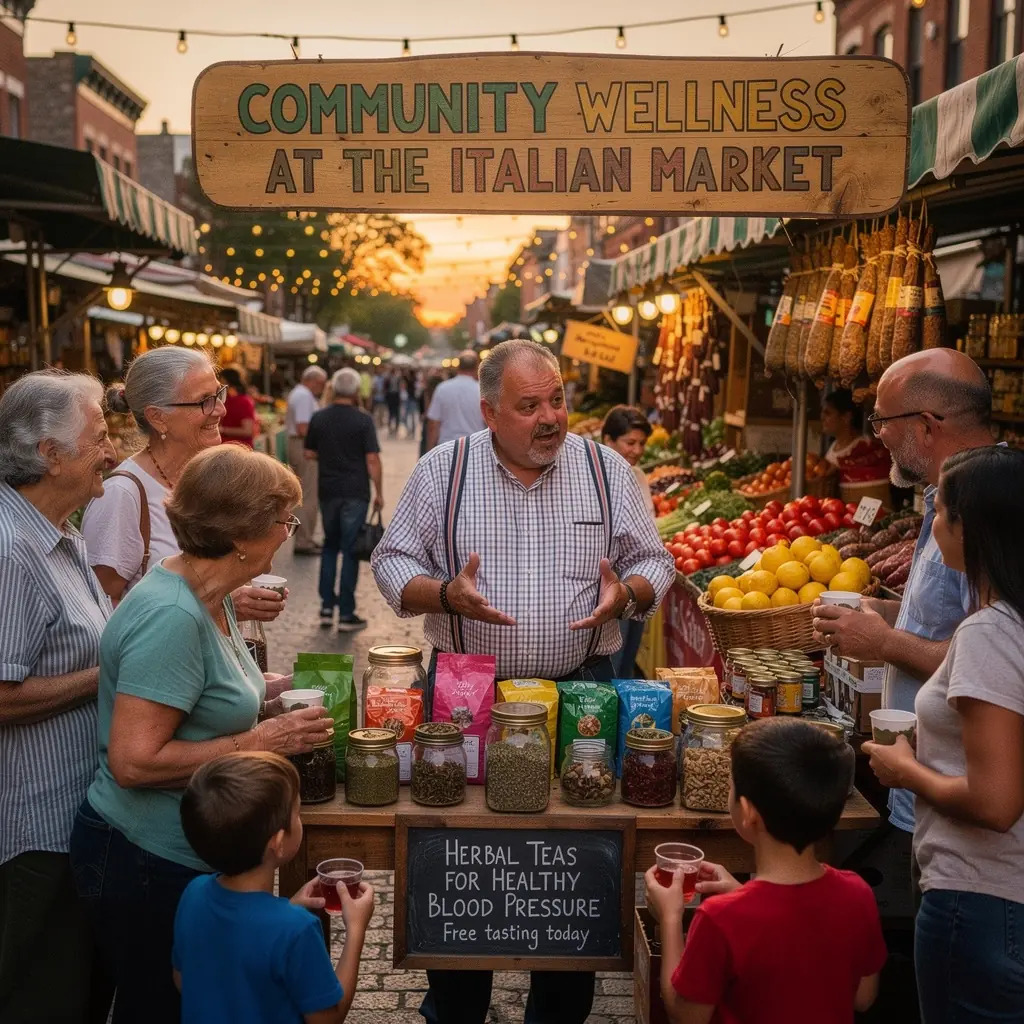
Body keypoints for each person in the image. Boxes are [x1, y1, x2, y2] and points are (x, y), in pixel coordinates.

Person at [371, 339, 674, 1024]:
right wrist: (446, 594)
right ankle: (455, 1004)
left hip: (581, 694)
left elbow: (656, 560)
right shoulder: (444, 470)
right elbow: (390, 560)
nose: (550, 417)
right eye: (529, 405)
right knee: (463, 857)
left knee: (572, 863)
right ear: (488, 411)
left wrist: (625, 595)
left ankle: (560, 1006)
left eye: (557, 399)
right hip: (463, 693)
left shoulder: (605, 468)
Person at [69, 445, 332, 1024]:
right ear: (246, 534)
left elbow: (205, 691)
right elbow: (134, 761)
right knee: (156, 1009)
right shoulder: (175, 615)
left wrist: (268, 691)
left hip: (175, 846)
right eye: (285, 520)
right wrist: (268, 740)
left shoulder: (207, 594)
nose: (289, 532)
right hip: (142, 854)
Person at [864, 446, 1024, 1022]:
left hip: (980, 900)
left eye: (942, 510)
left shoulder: (990, 634)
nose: (932, 523)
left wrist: (903, 770)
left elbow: (996, 801)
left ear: (970, 526)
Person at [812, 349, 994, 845]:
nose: (877, 434)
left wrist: (884, 642)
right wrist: (881, 612)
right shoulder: (944, 500)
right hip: (924, 788)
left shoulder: (987, 515)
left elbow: (989, 658)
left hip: (957, 808)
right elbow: (945, 619)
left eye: (882, 420)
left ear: (928, 426)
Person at [0, 371, 117, 1023]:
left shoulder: (59, 533)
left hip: (71, 816)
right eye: (99, 438)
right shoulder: (11, 549)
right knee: (41, 998)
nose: (111, 451)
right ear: (49, 454)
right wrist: (111, 672)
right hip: (31, 831)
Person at [644, 718, 885, 1023]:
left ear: (748, 813)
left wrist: (670, 917)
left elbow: (685, 1014)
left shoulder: (719, 918)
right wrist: (742, 893)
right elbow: (863, 997)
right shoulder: (857, 895)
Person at [82, 348, 286, 625]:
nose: (221, 409)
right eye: (204, 401)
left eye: (219, 394)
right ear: (157, 417)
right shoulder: (122, 495)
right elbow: (101, 611)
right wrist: (219, 605)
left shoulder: (207, 480)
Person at [174, 752, 375, 1024]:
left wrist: (287, 907)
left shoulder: (193, 894)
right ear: (278, 842)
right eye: (297, 812)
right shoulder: (297, 929)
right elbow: (328, 1017)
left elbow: (182, 980)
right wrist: (356, 930)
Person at [305, 368, 383, 631]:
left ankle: (326, 607)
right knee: (350, 551)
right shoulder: (364, 421)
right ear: (355, 391)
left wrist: (329, 457)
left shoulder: (319, 417)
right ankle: (347, 613)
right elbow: (372, 459)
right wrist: (379, 492)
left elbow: (308, 453)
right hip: (356, 492)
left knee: (329, 546)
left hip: (328, 490)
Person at [601, 405, 654, 677]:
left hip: (638, 583)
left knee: (629, 653)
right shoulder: (596, 479)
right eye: (629, 442)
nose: (637, 450)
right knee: (612, 656)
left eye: (642, 443)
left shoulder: (639, 476)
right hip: (612, 581)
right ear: (608, 440)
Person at [286, 365, 328, 555]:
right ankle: (304, 540)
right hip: (304, 446)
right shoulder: (304, 396)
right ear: (312, 380)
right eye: (320, 383)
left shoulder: (300, 393)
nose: (321, 387)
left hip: (299, 445)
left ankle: (306, 537)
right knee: (308, 495)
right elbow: (304, 427)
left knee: (305, 493)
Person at [820, 388, 892, 484]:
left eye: (828, 413)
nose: (822, 417)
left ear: (847, 417)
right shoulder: (833, 445)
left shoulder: (865, 446)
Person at [424, 349, 485, 451]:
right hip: (474, 448)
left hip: (446, 448)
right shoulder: (482, 391)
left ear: (458, 366)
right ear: (477, 367)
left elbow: (433, 424)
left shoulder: (442, 388)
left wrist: (429, 450)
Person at [219, 366, 258, 448]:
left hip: (240, 449)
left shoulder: (244, 402)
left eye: (221, 380)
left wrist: (222, 430)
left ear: (227, 382)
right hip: (225, 448)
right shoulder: (225, 400)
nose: (219, 384)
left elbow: (247, 431)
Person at [385, 370, 402, 437]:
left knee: (396, 414)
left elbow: (400, 389)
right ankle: (390, 428)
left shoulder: (398, 379)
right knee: (391, 414)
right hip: (391, 397)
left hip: (396, 397)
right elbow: (386, 388)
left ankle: (396, 428)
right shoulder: (388, 379)